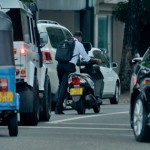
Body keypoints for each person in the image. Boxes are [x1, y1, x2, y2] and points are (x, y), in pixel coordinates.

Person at [55, 31, 102, 114]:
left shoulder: (65, 42)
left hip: (59, 66)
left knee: (61, 86)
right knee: (64, 86)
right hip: (69, 67)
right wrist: (96, 61)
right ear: (79, 37)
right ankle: (58, 108)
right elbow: (87, 58)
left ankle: (62, 104)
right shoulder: (79, 44)